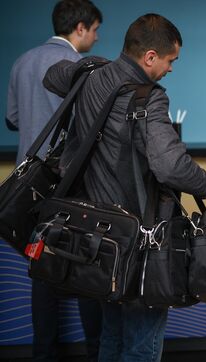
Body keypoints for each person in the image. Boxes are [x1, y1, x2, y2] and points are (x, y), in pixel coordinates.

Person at [43, 13, 206, 361]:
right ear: (150, 57)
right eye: (171, 61)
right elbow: (169, 165)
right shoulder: (150, 97)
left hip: (96, 233)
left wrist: (91, 65)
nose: (171, 69)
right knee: (141, 343)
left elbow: (52, 76)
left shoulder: (92, 75)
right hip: (140, 239)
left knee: (112, 333)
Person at [5, 1, 102, 361]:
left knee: (41, 269)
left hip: (28, 184)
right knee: (88, 270)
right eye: (94, 29)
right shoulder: (81, 67)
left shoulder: (22, 62)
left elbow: (13, 119)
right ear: (80, 28)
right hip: (73, 182)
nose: (96, 35)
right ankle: (97, 353)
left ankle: (44, 354)